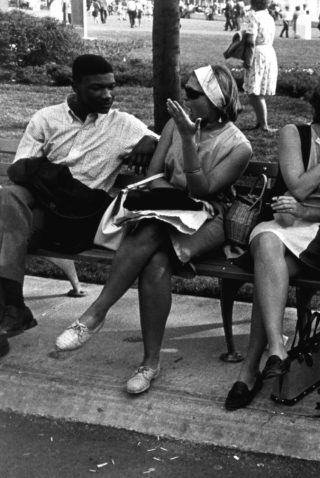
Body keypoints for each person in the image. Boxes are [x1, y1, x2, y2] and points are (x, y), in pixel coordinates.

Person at [54, 65, 252, 395]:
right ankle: (149, 363)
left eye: (192, 94)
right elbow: (157, 171)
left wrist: (189, 139)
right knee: (156, 260)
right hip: (168, 209)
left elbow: (202, 190)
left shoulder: (238, 146)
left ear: (216, 100)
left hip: (210, 217)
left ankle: (96, 315)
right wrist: (167, 199)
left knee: (152, 231)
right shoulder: (176, 125)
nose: (184, 99)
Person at [225, 70, 320, 410]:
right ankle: (275, 349)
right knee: (269, 247)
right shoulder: (294, 134)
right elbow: (298, 186)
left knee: (267, 267)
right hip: (283, 227)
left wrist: (306, 211)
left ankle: (250, 369)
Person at [0, 55, 156, 338]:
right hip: (40, 213)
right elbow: (20, 169)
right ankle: (13, 308)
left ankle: (13, 308)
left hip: (79, 220)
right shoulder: (47, 118)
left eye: (111, 86)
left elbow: (168, 143)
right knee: (10, 197)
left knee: (6, 220)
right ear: (75, 86)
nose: (107, 95)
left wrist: (150, 140)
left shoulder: (123, 124)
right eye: (97, 88)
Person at [242, 0, 278, 132]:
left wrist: (247, 58)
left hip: (257, 53)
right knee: (257, 90)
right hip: (268, 51)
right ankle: (260, 122)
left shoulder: (253, 16)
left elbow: (251, 40)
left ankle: (263, 124)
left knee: (255, 92)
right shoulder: (269, 17)